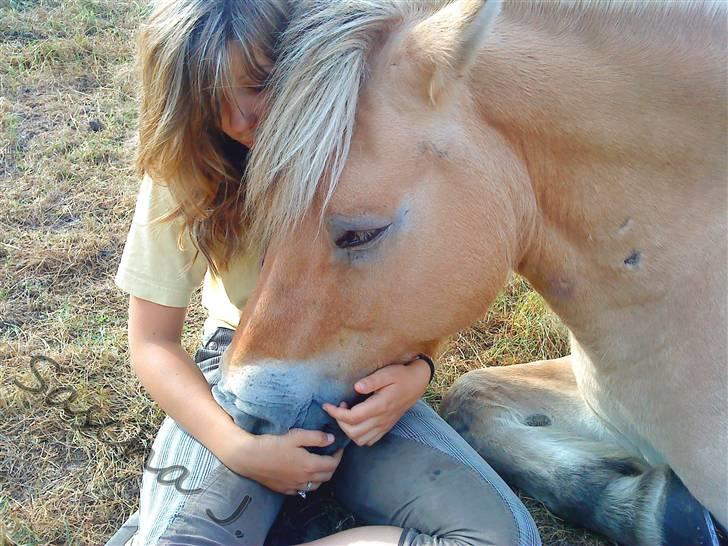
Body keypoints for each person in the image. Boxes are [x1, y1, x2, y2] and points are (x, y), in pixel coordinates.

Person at [105, 1, 540, 545]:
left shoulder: (370, 154)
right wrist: (238, 448)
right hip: (247, 375)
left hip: (359, 384)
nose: (239, 120)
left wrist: (419, 371)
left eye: (260, 84)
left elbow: (421, 284)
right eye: (211, 100)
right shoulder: (189, 173)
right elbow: (152, 343)